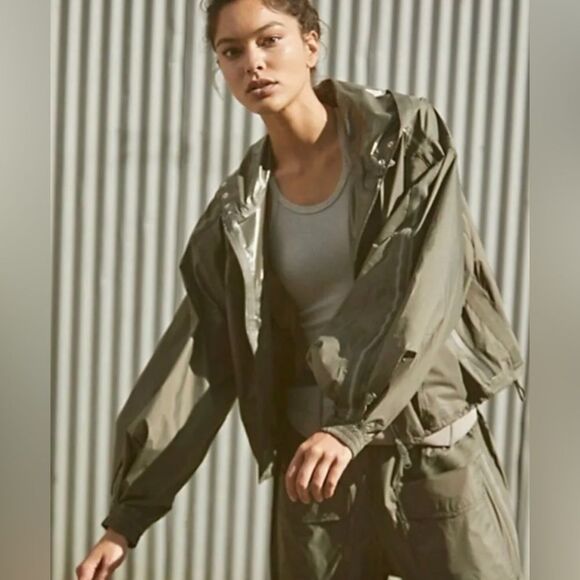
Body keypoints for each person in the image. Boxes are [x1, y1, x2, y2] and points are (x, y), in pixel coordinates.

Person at [76, 0, 527, 579]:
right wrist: (127, 518)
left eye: (270, 40)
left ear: (311, 43)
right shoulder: (239, 213)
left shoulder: (403, 142)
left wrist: (352, 425)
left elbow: (420, 288)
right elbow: (200, 358)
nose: (252, 63)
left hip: (431, 454)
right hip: (318, 479)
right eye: (232, 51)